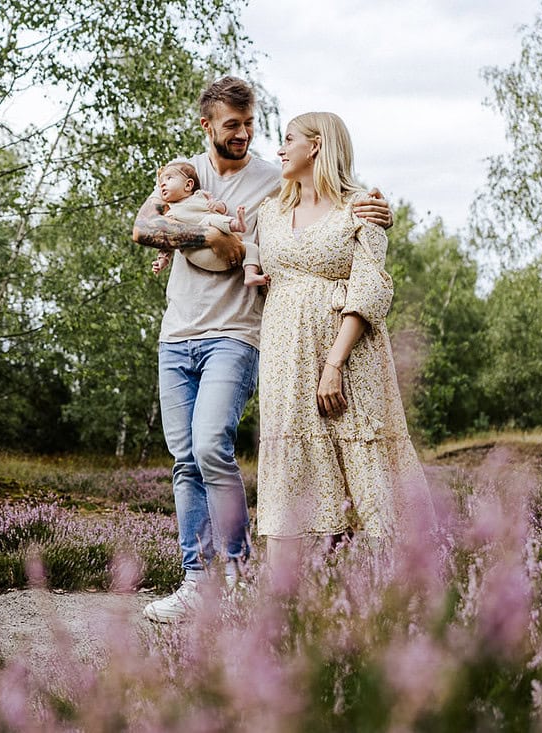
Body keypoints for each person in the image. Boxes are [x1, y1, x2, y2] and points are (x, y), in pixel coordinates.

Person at [132, 77, 392, 623]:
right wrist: (208, 238)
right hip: (175, 335)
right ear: (207, 126)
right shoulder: (182, 175)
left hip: (237, 334)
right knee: (185, 461)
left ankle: (237, 571)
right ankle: (197, 582)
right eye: (233, 125)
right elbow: (142, 228)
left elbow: (327, 203)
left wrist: (374, 206)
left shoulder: (274, 184)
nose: (246, 135)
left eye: (251, 123)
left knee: (210, 445)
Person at [254, 111, 433, 567]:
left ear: (315, 146)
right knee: (287, 464)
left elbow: (371, 287)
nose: (280, 148)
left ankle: (388, 598)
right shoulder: (270, 212)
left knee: (362, 464)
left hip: (349, 358)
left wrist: (334, 363)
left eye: (288, 139)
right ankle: (280, 610)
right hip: (282, 358)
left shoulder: (362, 206)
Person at [147, 159, 267, 289]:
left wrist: (218, 205)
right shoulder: (171, 212)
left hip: (231, 256)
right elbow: (167, 240)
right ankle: (236, 224)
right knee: (208, 220)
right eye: (161, 183)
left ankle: (250, 275)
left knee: (251, 248)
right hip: (201, 255)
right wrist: (162, 260)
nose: (163, 184)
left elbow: (221, 209)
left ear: (188, 185)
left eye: (169, 178)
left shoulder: (201, 196)